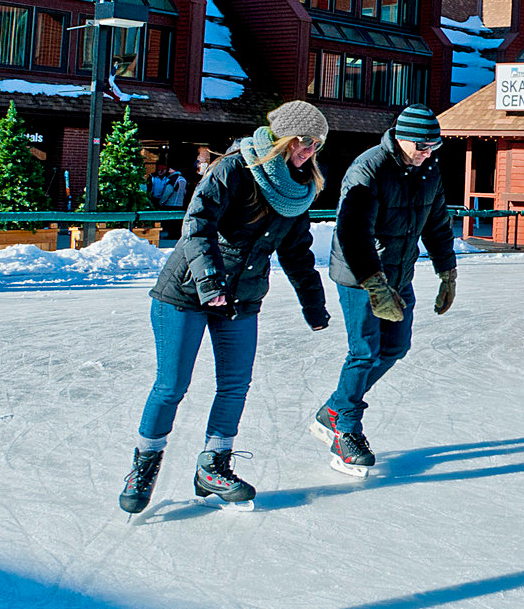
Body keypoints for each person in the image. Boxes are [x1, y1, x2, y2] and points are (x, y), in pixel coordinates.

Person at [121, 102, 329, 514]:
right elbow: (198, 223)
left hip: (243, 297)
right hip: (186, 292)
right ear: (283, 136)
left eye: (316, 143)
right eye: (303, 140)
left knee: (235, 385)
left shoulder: (300, 188)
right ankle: (144, 466)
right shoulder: (235, 168)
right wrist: (209, 280)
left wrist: (313, 302)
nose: (308, 149)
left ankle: (212, 466)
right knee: (171, 387)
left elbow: (296, 251)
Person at [314, 104, 458, 477]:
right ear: (402, 138)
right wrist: (374, 284)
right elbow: (352, 233)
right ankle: (345, 428)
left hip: (399, 272)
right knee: (364, 351)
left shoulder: (428, 169)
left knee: (396, 347)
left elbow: (438, 222)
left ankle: (336, 405)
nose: (429, 152)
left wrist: (447, 271)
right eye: (423, 145)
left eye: (434, 146)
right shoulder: (369, 168)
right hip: (361, 275)